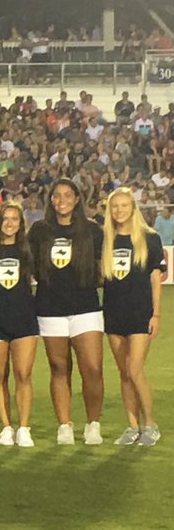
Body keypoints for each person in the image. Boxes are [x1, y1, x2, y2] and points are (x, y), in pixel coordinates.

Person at [28, 178, 104, 445]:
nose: (62, 200)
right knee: (59, 367)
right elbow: (28, 264)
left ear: (76, 199)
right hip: (50, 309)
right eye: (57, 195)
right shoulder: (39, 230)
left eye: (67, 195)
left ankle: (93, 424)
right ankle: (64, 425)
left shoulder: (92, 231)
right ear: (51, 200)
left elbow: (102, 266)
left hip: (86, 308)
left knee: (92, 368)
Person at [101, 187, 163, 446]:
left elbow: (155, 279)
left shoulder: (149, 238)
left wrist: (156, 313)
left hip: (140, 313)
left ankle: (150, 424)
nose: (119, 210)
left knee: (135, 369)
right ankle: (132, 426)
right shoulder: (106, 240)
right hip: (114, 313)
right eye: (115, 206)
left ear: (133, 208)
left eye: (125, 206)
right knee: (123, 373)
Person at [0, 202, 39, 447]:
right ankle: (6, 426)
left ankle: (23, 427)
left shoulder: (28, 250)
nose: (10, 223)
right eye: (5, 218)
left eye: (15, 219)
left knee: (23, 374)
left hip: (24, 319)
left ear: (21, 223)